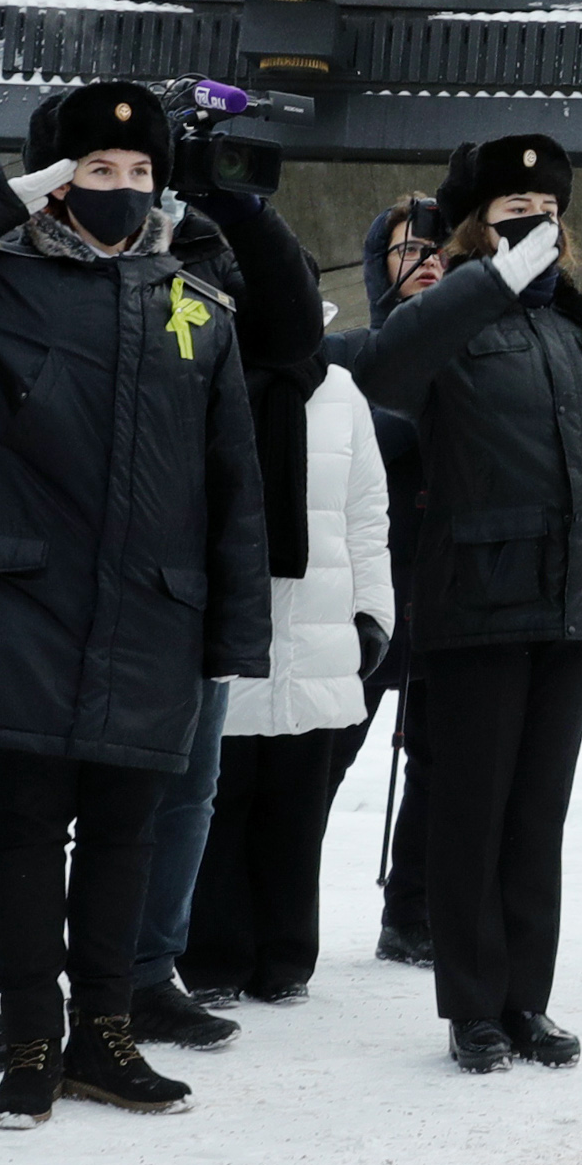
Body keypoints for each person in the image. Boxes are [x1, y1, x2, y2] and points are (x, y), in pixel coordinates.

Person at [0, 84, 269, 1125]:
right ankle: (31, 1045)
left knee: (127, 835)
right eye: (94, 171)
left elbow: (233, 479)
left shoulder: (196, 307)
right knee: (27, 830)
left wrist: (232, 629)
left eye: (139, 174)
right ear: (53, 183)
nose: (119, 191)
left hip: (150, 615)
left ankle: (104, 1040)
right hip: (15, 614)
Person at [353, 134, 582, 1074]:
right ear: (480, 228)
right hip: (477, 598)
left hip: (572, 603)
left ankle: (528, 1000)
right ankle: (473, 1008)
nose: (538, 223)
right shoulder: (450, 318)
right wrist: (478, 281)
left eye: (549, 212)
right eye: (515, 212)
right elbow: (381, 371)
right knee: (473, 813)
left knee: (537, 815)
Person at [180, 316, 390, 1004]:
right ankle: (210, 960)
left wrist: (373, 614)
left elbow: (366, 513)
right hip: (226, 627)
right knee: (219, 804)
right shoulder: (203, 376)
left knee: (297, 811)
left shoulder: (341, 390)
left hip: (322, 629)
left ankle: (285, 959)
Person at [346, 197, 443, 966]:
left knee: (439, 765)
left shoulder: (474, 349)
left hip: (447, 590)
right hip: (364, 597)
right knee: (320, 757)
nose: (428, 260)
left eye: (441, 249)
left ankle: (411, 912)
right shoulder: (360, 356)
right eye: (410, 249)